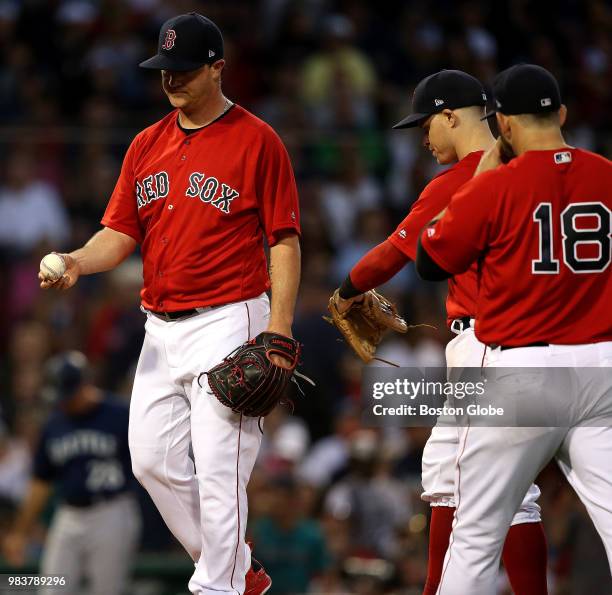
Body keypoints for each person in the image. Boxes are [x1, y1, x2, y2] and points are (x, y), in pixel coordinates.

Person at [39, 12, 301, 595]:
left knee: (218, 469)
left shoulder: (257, 139)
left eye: (185, 69)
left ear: (217, 68)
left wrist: (278, 330)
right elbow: (120, 233)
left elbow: (284, 239)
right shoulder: (146, 144)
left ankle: (221, 585)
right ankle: (236, 569)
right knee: (150, 460)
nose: (172, 80)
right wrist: (79, 261)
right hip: (159, 326)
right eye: (165, 70)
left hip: (231, 318)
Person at [332, 69, 547, 594]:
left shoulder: (460, 180)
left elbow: (391, 254)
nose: (423, 139)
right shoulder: (530, 169)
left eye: (426, 125)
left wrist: (345, 291)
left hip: (490, 343)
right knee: (463, 479)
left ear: (451, 115)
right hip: (543, 340)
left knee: (478, 483)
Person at [416, 64, 612, 594]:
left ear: (502, 125)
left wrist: (480, 182)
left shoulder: (498, 186)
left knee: (476, 535)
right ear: (563, 114)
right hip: (602, 369)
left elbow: (432, 258)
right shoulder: (608, 175)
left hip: (523, 370)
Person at [2, 352, 140, 595]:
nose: (64, 401)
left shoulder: (120, 414)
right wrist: (19, 532)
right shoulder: (55, 423)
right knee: (52, 589)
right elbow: (40, 481)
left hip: (111, 510)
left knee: (107, 591)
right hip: (69, 515)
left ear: (86, 383)